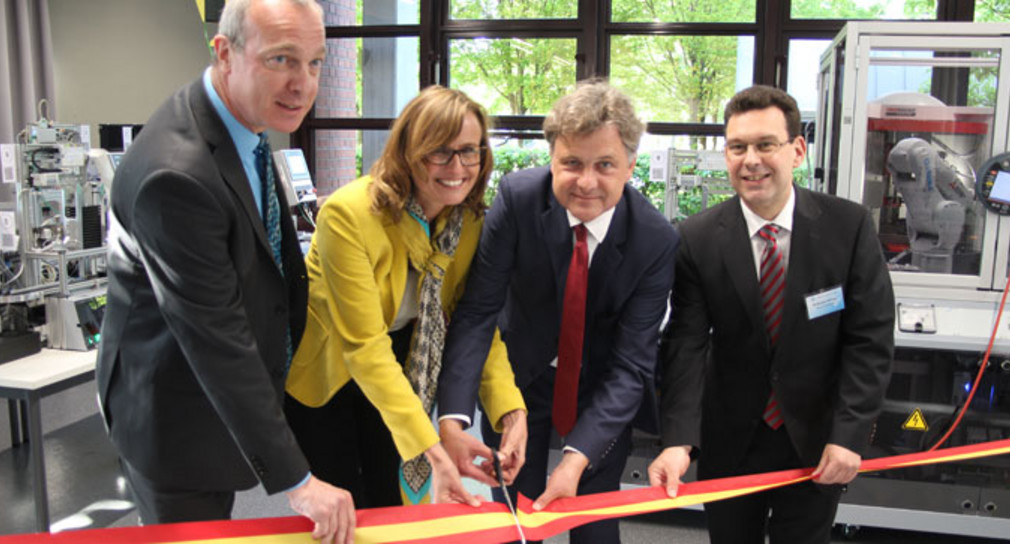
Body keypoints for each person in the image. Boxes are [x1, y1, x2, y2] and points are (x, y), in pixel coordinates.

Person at [95, 1, 355, 542]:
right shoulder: (176, 176)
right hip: (172, 417)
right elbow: (218, 339)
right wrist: (298, 480)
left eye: (314, 63)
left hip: (218, 396)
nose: (302, 84)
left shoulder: (243, 125)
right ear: (225, 52)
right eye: (281, 59)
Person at [648, 85, 894, 544]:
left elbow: (869, 340)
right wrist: (679, 440)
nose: (750, 159)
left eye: (765, 144)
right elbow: (686, 343)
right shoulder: (698, 238)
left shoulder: (849, 227)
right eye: (737, 147)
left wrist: (850, 433)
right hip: (732, 438)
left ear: (797, 150)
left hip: (817, 439)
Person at [437, 79, 679, 544]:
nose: (586, 181)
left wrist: (576, 458)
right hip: (520, 380)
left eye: (604, 165)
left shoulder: (655, 240)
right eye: (571, 163)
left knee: (593, 527)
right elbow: (478, 312)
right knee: (513, 525)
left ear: (630, 165)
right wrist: (453, 417)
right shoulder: (518, 198)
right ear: (552, 160)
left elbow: (632, 366)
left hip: (602, 389)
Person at [283, 85, 527, 508]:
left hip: (402, 357)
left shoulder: (467, 221)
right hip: (329, 368)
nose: (458, 167)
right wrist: (431, 448)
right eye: (440, 152)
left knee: (388, 503)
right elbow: (363, 345)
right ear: (409, 152)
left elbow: (474, 320)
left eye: (470, 151)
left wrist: (509, 408)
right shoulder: (349, 214)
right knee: (340, 506)